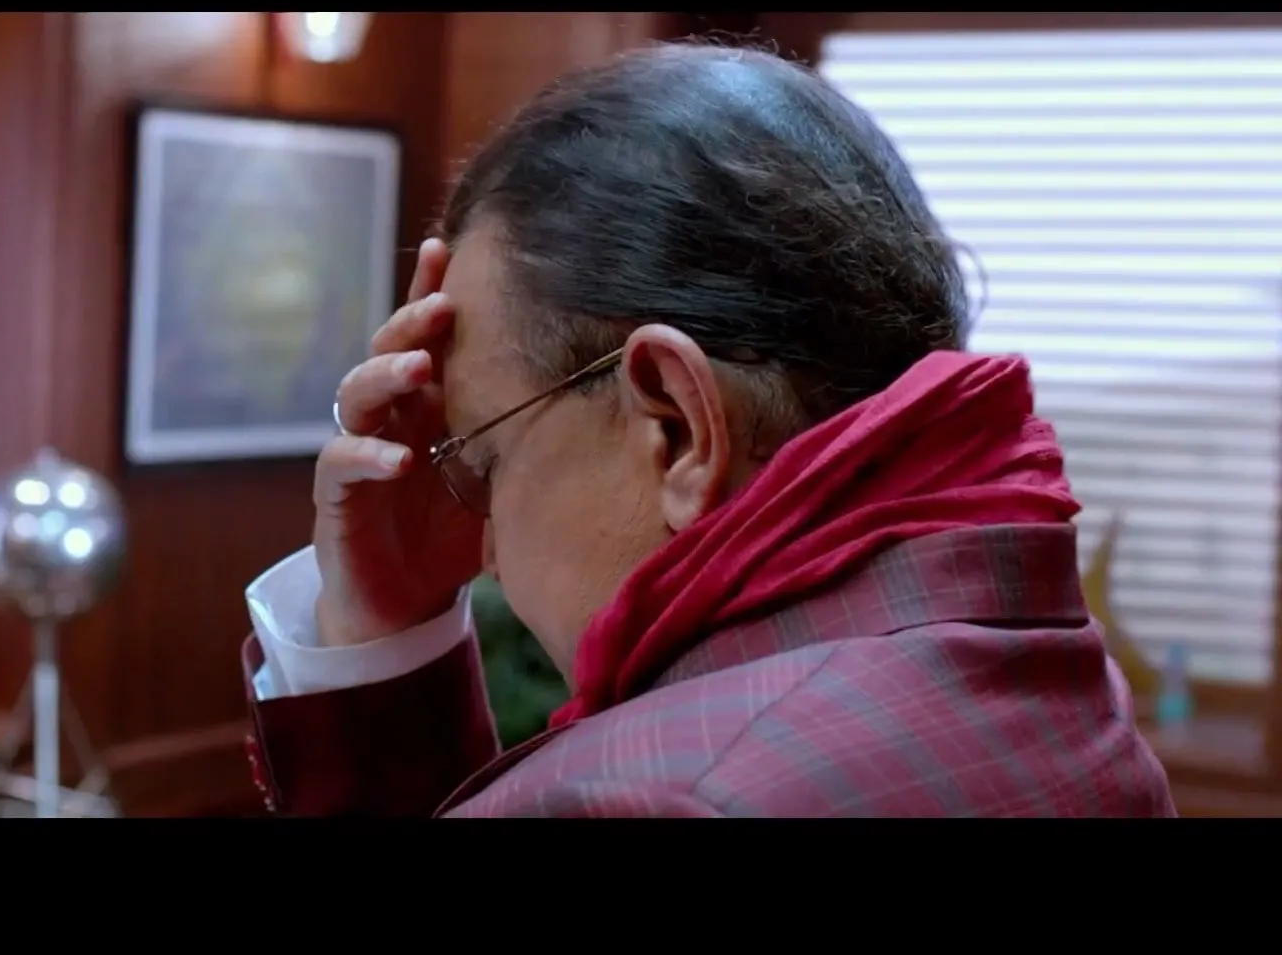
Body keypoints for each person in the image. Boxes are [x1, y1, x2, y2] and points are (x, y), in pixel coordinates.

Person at [238, 41, 1177, 818]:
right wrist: (383, 637)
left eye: (485, 463)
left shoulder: (647, 797)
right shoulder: (1048, 673)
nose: (485, 557)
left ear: (677, 428)